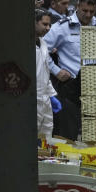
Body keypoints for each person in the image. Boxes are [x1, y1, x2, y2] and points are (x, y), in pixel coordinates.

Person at [44, 0, 96, 140]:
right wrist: (56, 71)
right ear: (77, 6)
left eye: (92, 11)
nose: (88, 15)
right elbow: (41, 49)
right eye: (85, 11)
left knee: (94, 133)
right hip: (71, 86)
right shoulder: (63, 26)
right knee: (68, 133)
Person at [35, 9, 59, 140]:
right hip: (34, 98)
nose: (48, 28)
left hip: (45, 98)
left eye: (49, 25)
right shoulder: (25, 46)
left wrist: (51, 94)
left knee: (47, 135)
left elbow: (45, 71)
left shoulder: (43, 43)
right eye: (44, 24)